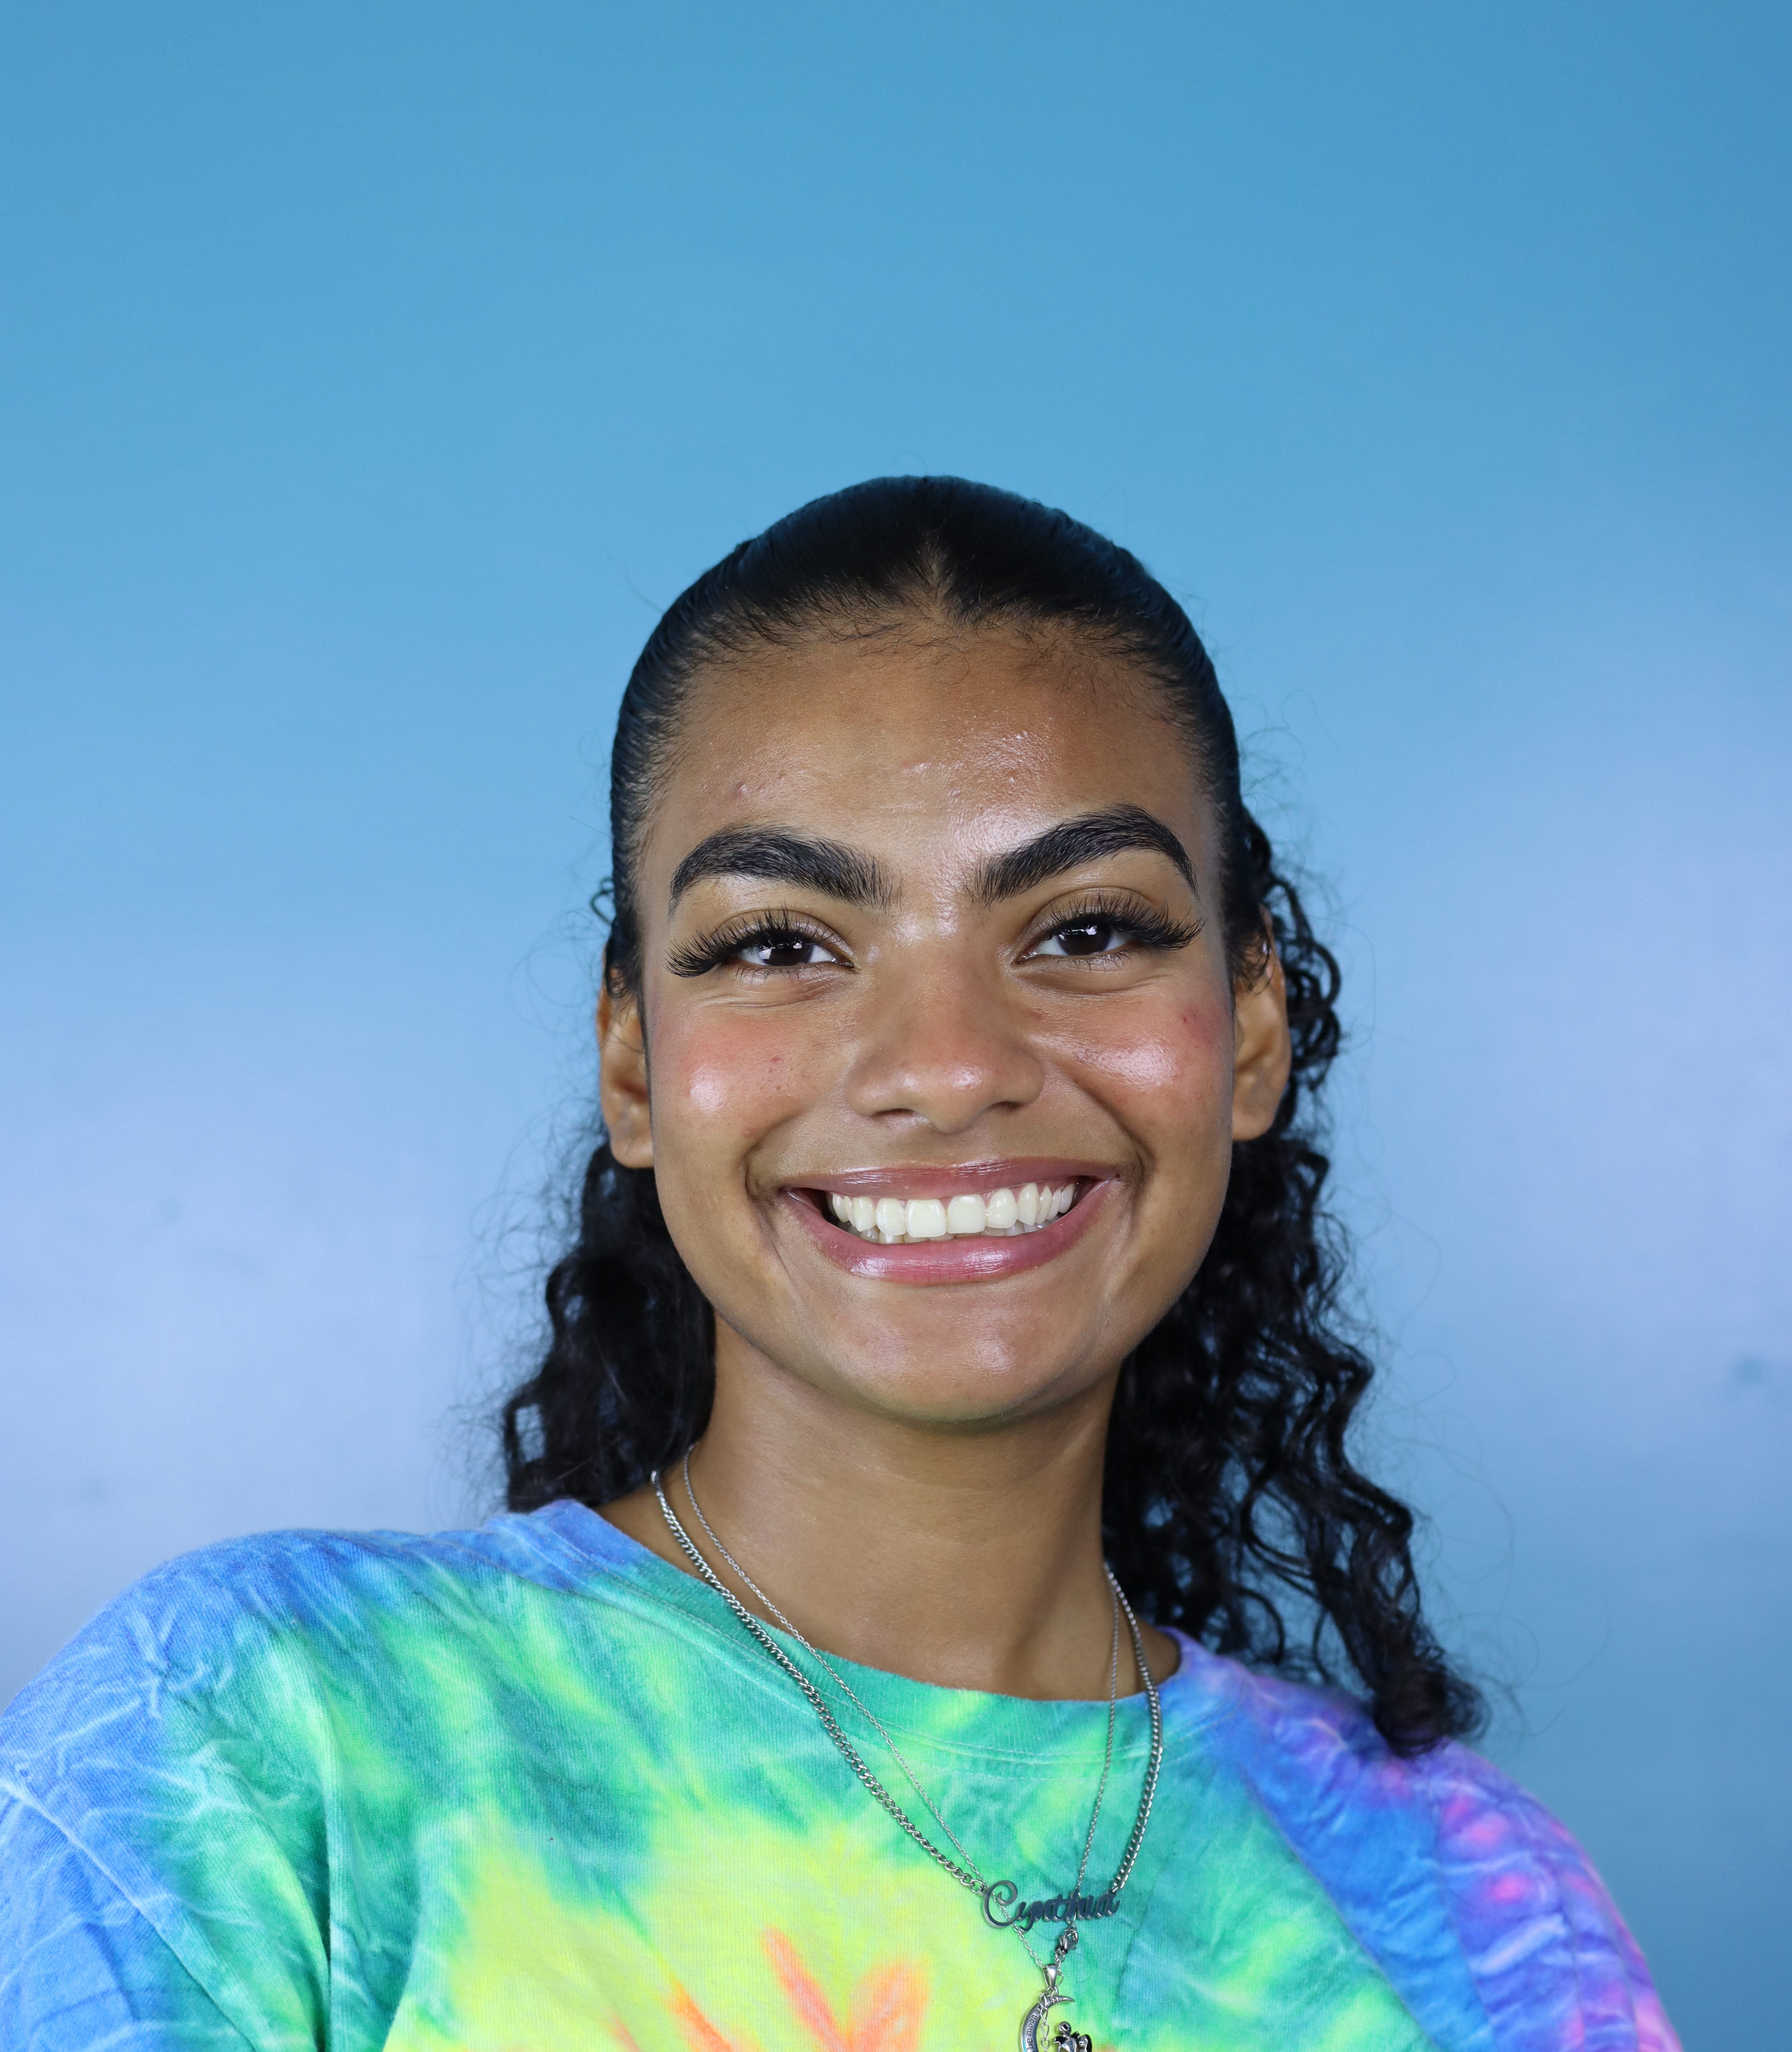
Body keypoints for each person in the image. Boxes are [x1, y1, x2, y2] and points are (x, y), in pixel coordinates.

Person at [0, 478, 1677, 2052]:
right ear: (636, 1065)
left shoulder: (1477, 1914)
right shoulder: (251, 1732)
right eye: (780, 944)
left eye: (1085, 928)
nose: (945, 1063)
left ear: (1246, 1027)